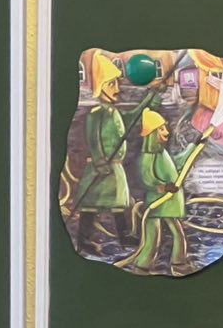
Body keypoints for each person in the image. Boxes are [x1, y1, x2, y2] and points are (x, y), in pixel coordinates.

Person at [72, 55, 131, 249]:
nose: (117, 89)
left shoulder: (114, 112)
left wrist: (149, 101)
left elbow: (130, 121)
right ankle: (83, 240)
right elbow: (94, 139)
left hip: (115, 168)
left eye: (117, 83)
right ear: (101, 86)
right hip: (102, 167)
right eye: (112, 84)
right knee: (90, 205)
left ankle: (124, 238)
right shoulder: (97, 114)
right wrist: (99, 162)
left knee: (118, 204)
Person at [127, 109, 189, 275]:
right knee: (153, 236)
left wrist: (194, 147)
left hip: (167, 201)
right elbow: (146, 178)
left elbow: (177, 164)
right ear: (152, 133)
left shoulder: (162, 153)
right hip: (157, 201)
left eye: (165, 128)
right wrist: (163, 187)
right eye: (161, 129)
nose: (166, 132)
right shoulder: (148, 156)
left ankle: (177, 263)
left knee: (175, 232)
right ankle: (143, 266)